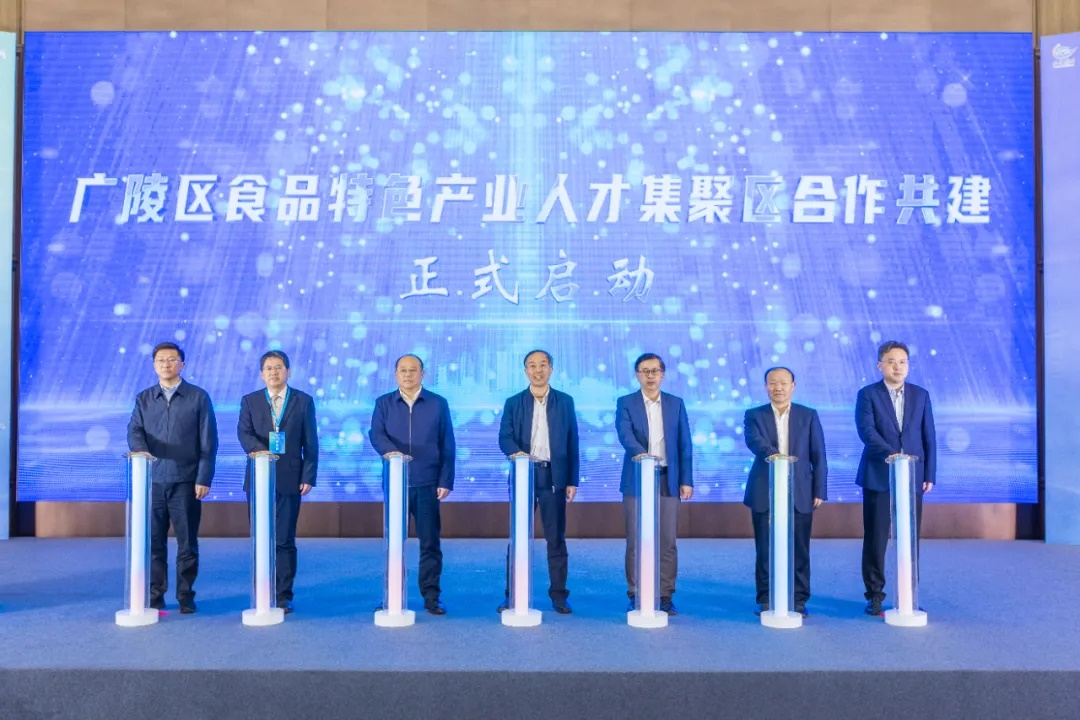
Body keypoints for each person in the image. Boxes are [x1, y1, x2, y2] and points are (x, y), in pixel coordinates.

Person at [127, 342, 218, 614]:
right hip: (152, 482)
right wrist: (141, 451)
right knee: (154, 543)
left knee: (187, 543)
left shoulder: (198, 397)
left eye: (171, 359)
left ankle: (185, 596)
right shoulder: (144, 398)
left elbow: (208, 441)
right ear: (154, 365)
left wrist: (203, 478)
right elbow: (134, 431)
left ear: (182, 364)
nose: (166, 364)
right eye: (160, 360)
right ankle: (155, 596)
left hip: (186, 482)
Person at [369, 354, 455, 615]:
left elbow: (447, 443)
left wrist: (445, 479)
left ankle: (431, 597)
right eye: (403, 370)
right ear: (396, 374)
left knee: (430, 543)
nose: (408, 375)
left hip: (427, 483)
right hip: (395, 482)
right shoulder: (383, 403)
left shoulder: (438, 403)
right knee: (394, 543)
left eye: (413, 370)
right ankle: (392, 596)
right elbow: (376, 434)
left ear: (422, 374)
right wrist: (391, 453)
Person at [856, 341, 936, 616]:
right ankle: (875, 595)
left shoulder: (921, 395)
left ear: (908, 366)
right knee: (876, 538)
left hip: (913, 476)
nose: (897, 367)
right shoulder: (868, 394)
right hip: (879, 474)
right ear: (880, 365)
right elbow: (866, 432)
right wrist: (893, 455)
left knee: (910, 538)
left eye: (902, 362)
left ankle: (908, 595)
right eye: (891, 361)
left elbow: (928, 436)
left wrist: (929, 473)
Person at [497, 349, 579, 615]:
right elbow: (505, 437)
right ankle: (512, 595)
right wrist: (517, 454)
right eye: (532, 366)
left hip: (554, 477)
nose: (538, 370)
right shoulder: (514, 402)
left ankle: (559, 596)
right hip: (524, 475)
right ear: (525, 371)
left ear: (551, 369)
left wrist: (572, 480)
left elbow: (572, 442)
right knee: (518, 537)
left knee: (556, 538)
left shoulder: (565, 402)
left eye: (543, 365)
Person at [237, 350, 319, 615]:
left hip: (290, 478)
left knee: (284, 538)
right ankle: (262, 590)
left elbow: (311, 442)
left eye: (279, 367)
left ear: (288, 372)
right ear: (262, 374)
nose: (274, 372)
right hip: (258, 477)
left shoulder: (303, 401)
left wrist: (308, 475)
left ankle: (283, 595)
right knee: (261, 537)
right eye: (269, 368)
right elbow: (244, 433)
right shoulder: (250, 401)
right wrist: (259, 451)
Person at [743, 366, 827, 618]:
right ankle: (765, 597)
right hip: (764, 489)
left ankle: (799, 599)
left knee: (800, 549)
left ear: (793, 386)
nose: (778, 387)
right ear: (766, 386)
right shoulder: (754, 415)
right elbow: (754, 442)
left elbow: (818, 454)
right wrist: (778, 456)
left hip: (800, 490)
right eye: (772, 383)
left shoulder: (808, 415)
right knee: (765, 549)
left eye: (783, 383)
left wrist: (819, 489)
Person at [615, 352, 693, 615]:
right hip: (637, 478)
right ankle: (636, 592)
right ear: (637, 375)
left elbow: (685, 444)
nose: (650, 376)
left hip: (668, 479)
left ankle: (665, 594)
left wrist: (686, 480)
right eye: (645, 371)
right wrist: (643, 456)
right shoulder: (626, 402)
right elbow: (624, 434)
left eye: (655, 371)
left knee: (667, 540)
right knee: (636, 540)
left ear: (663, 375)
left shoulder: (675, 403)